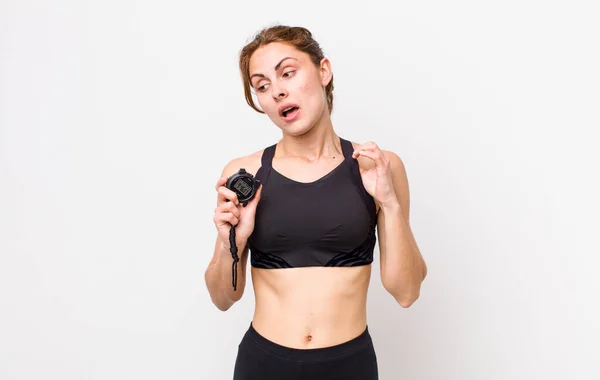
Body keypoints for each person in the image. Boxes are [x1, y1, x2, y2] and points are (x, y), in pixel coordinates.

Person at [204, 25, 428, 380]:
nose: (277, 91)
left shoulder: (378, 167)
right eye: (262, 86)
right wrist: (232, 240)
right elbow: (222, 298)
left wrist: (390, 204)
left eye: (288, 73)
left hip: (349, 365)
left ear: (323, 71)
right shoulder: (244, 173)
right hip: (263, 364)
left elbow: (406, 291)